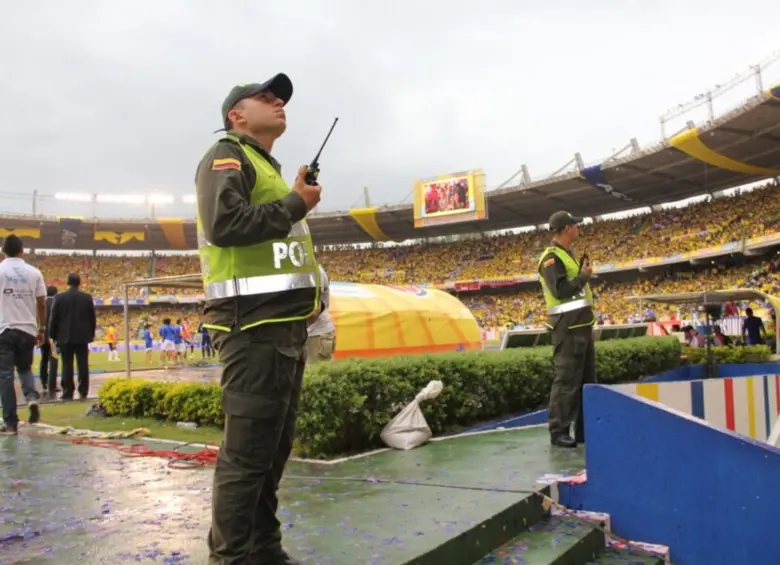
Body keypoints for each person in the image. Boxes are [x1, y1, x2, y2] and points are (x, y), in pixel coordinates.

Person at [195, 73, 323, 565]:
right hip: (251, 327)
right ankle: (230, 558)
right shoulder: (226, 155)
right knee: (247, 457)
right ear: (236, 115)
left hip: (282, 327)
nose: (279, 102)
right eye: (266, 97)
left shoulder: (264, 166)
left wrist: (293, 197)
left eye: (282, 97)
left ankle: (265, 551)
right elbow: (225, 224)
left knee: (271, 454)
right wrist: (294, 204)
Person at [537, 211, 596, 448]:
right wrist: (582, 277)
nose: (578, 229)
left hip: (581, 326)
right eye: (575, 225)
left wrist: (581, 276)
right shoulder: (550, 258)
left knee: (586, 381)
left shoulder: (566, 255)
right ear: (567, 229)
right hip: (567, 328)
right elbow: (559, 291)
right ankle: (558, 431)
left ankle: (584, 430)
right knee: (566, 381)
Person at [0, 235, 46, 435]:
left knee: (5, 376)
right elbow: (42, 303)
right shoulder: (34, 272)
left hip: (4, 328)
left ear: (3, 251)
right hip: (28, 328)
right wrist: (42, 328)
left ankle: (11, 423)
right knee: (25, 368)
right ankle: (31, 397)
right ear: (22, 251)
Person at [48, 273, 96, 400]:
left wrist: (52, 335)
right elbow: (92, 318)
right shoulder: (87, 298)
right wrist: (91, 334)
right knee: (83, 364)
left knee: (67, 364)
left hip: (64, 336)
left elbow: (54, 318)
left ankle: (68, 391)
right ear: (79, 283)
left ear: (67, 283)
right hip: (82, 336)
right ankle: (83, 390)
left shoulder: (59, 297)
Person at [306, 265, 336, 364]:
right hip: (311, 333)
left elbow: (315, 311)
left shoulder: (314, 271)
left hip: (317, 334)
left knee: (315, 374)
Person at [40, 285, 60, 398]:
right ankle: (52, 385)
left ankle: (43, 382)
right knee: (54, 360)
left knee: (44, 359)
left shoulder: (42, 303)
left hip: (43, 335)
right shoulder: (56, 303)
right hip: (53, 337)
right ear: (56, 293)